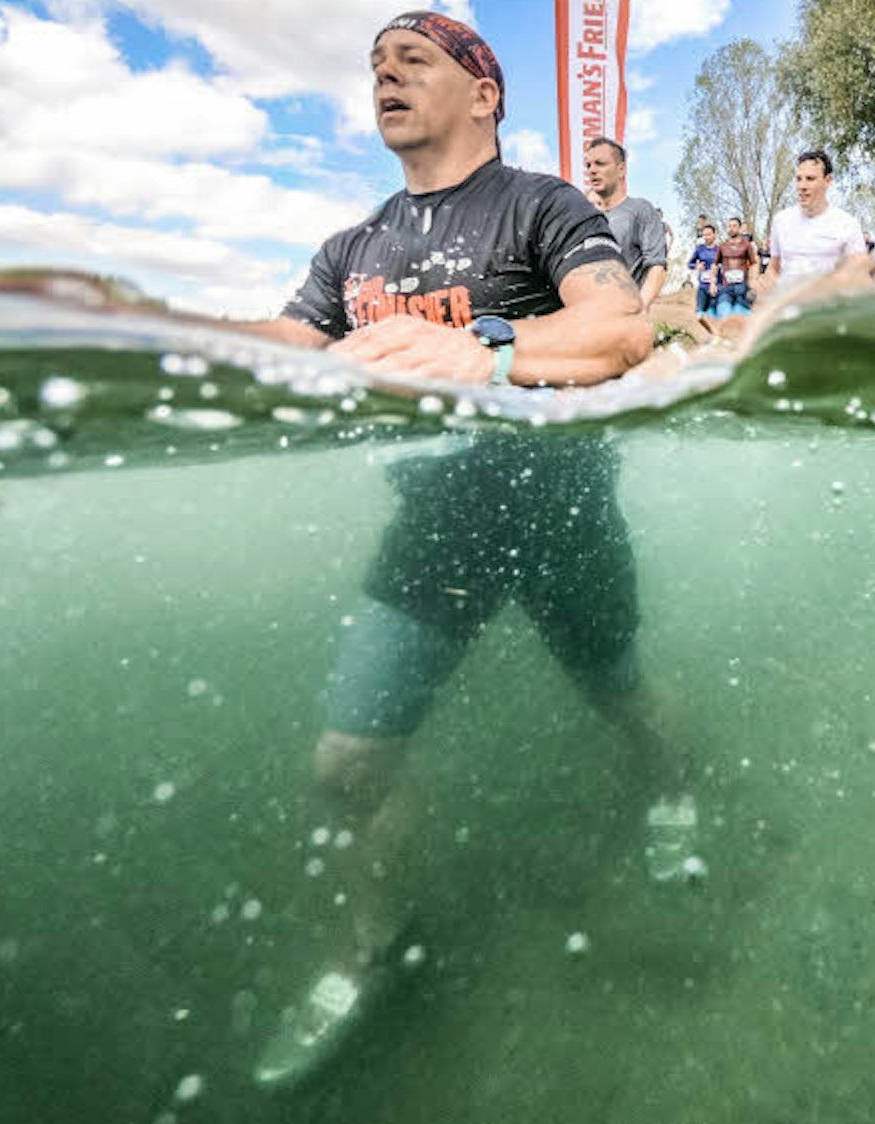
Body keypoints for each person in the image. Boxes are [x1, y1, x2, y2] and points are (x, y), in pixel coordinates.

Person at [236, 10, 690, 1089]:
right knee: (346, 762)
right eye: (374, 63)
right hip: (435, 520)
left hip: (558, 509)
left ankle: (674, 786)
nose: (384, 73)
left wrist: (480, 345)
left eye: (415, 59)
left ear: (484, 92)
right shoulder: (349, 248)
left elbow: (622, 332)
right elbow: (265, 358)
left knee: (621, 694)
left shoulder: (542, 204)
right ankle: (367, 946)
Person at [583, 136, 668, 311]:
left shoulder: (641, 209)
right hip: (590, 318)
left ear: (621, 170)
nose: (592, 170)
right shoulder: (583, 217)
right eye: (588, 165)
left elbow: (657, 267)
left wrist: (639, 309)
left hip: (626, 316)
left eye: (600, 163)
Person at [762, 150, 865, 289]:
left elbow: (861, 274)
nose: (802, 186)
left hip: (827, 306)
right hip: (786, 305)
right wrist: (766, 283)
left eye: (810, 179)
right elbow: (774, 268)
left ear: (827, 181)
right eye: (798, 179)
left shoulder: (847, 224)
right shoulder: (780, 221)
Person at [711, 215, 760, 332]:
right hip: (726, 286)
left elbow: (754, 263)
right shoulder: (722, 246)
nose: (731, 228)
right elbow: (714, 264)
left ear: (739, 228)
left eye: (734, 226)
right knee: (724, 312)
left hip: (742, 287)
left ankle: (741, 342)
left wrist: (753, 280)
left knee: (740, 316)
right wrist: (712, 282)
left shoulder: (746, 245)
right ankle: (722, 341)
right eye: (729, 226)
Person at [687, 222, 720, 337]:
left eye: (708, 234)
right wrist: (697, 266)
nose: (706, 237)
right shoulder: (700, 249)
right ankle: (713, 333)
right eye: (704, 235)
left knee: (713, 316)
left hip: (716, 287)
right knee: (699, 316)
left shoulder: (719, 250)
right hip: (702, 287)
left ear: (714, 235)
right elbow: (689, 264)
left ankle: (715, 337)